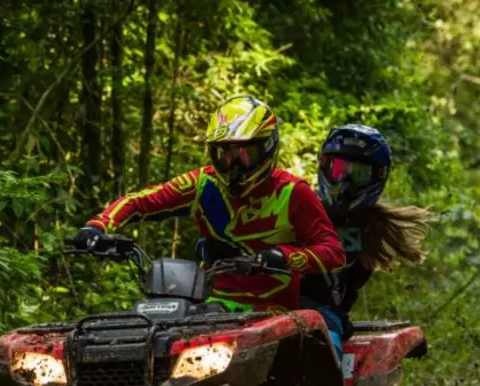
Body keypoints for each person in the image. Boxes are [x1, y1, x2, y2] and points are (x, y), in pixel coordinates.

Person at [71, 95, 346, 314]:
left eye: (244, 154)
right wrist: (97, 227)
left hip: (273, 312)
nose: (234, 166)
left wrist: (284, 257)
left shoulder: (292, 192)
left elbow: (333, 252)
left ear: (267, 148)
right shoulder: (202, 183)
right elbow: (138, 202)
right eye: (224, 154)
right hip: (210, 305)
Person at [299, 123, 431, 359]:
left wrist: (336, 315)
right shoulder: (299, 208)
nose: (345, 181)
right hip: (277, 311)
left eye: (357, 174)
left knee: (325, 364)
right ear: (324, 165)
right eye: (340, 170)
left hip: (324, 325)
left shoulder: (371, 227)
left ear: (377, 177)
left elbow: (347, 290)